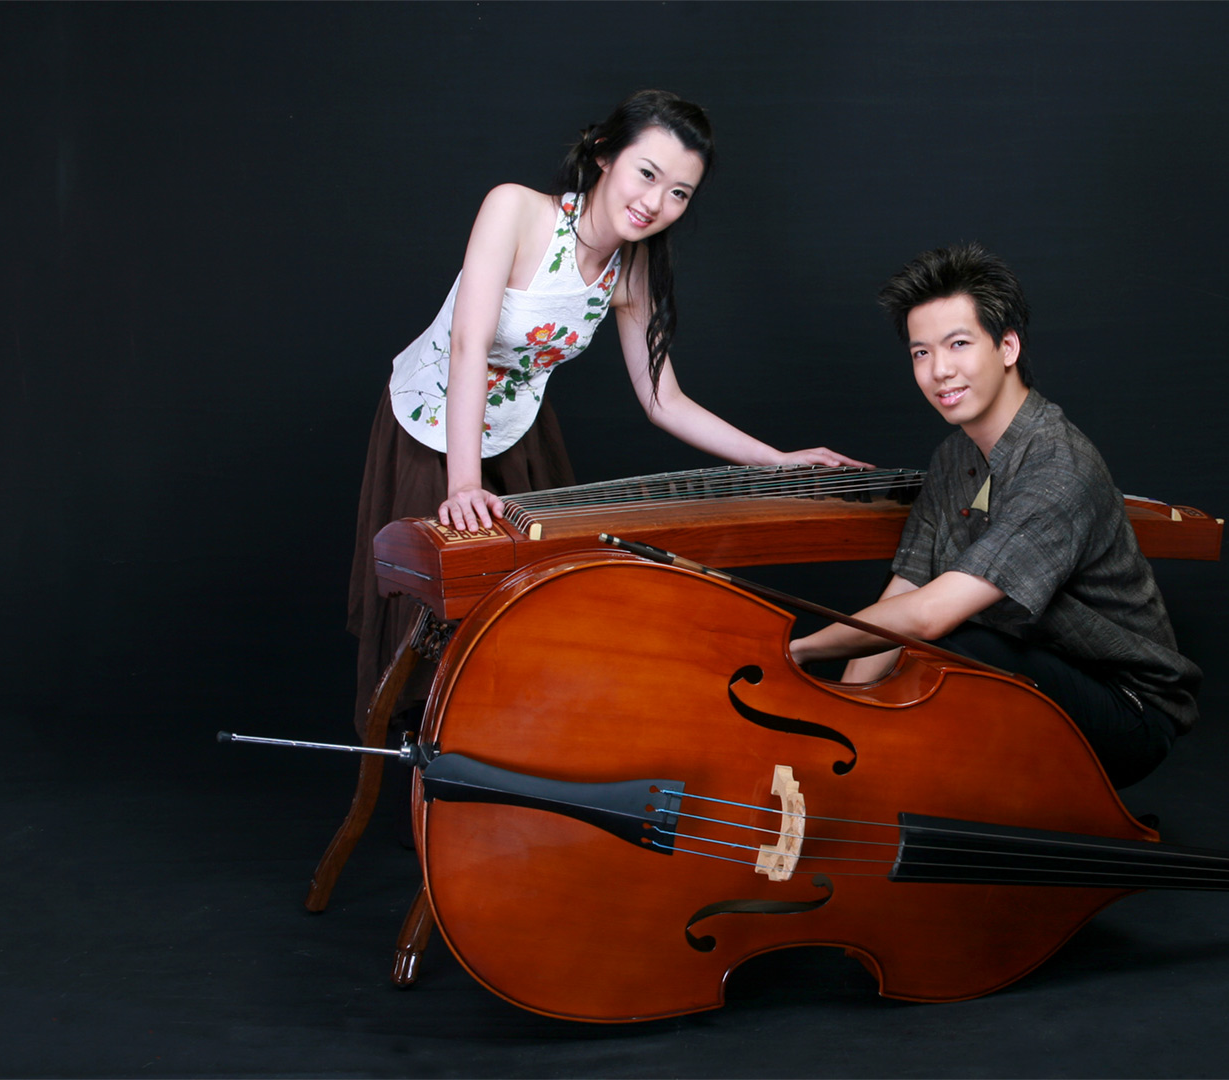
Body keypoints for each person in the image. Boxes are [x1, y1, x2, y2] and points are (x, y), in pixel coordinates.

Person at [351, 90, 867, 731]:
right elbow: (468, 345)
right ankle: (422, 781)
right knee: (437, 609)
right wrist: (463, 484)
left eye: (679, 192)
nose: (655, 203)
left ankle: (493, 772)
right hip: (434, 425)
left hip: (516, 428)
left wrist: (778, 460)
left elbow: (663, 399)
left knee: (529, 607)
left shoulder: (632, 270)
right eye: (647, 173)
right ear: (603, 155)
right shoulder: (516, 210)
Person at [789, 244, 1200, 788]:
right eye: (920, 353)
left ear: (1007, 346)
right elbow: (905, 589)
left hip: (1127, 710)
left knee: (949, 647)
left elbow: (927, 619)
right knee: (926, 647)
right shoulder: (954, 455)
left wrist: (796, 651)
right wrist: (840, 717)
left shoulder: (1060, 466)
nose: (939, 371)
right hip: (1036, 666)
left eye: (959, 344)